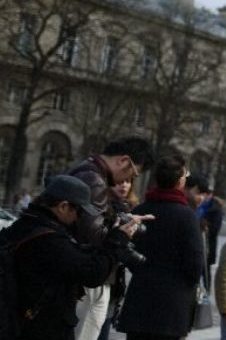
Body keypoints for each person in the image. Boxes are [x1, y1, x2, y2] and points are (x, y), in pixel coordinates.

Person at [0, 175, 138, 340]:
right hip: (40, 327)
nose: (79, 218)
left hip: (17, 321)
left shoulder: (24, 225)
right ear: (63, 207)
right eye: (79, 211)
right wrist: (117, 240)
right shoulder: (49, 239)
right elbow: (93, 274)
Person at [67, 136, 155, 340]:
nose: (126, 181)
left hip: (81, 272)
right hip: (86, 276)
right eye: (132, 173)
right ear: (124, 160)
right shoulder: (95, 180)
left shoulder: (87, 171)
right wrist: (122, 231)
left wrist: (118, 219)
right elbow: (92, 234)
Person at [116, 156, 206, 340]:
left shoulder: (140, 210)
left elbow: (126, 251)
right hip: (172, 303)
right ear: (180, 181)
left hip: (140, 297)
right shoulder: (187, 216)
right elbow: (196, 263)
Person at [98, 178, 137, 340]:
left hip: (115, 281)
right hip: (100, 276)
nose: (124, 185)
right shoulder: (101, 205)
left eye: (128, 181)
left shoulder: (131, 208)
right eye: (120, 181)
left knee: (104, 328)